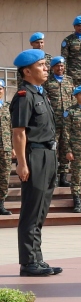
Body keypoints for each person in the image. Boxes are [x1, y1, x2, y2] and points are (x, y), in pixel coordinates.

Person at [11, 49, 62, 276]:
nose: (45, 68)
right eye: (41, 65)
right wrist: (22, 163)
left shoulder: (41, 94)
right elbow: (19, 132)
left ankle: (37, 259)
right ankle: (28, 262)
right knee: (31, 210)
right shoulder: (24, 95)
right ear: (27, 71)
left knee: (41, 210)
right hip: (35, 156)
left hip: (49, 155)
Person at [43, 56, 74, 188]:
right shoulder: (47, 82)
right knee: (53, 149)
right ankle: (53, 176)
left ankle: (63, 176)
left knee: (65, 148)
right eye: (57, 66)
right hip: (53, 121)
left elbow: (73, 99)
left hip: (67, 121)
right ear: (52, 67)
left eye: (62, 66)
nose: (60, 68)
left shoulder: (69, 80)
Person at [0, 80, 14, 216]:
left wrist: (14, 146)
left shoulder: (8, 108)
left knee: (5, 176)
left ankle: (1, 204)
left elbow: (12, 129)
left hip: (6, 147)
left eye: (0, 88)